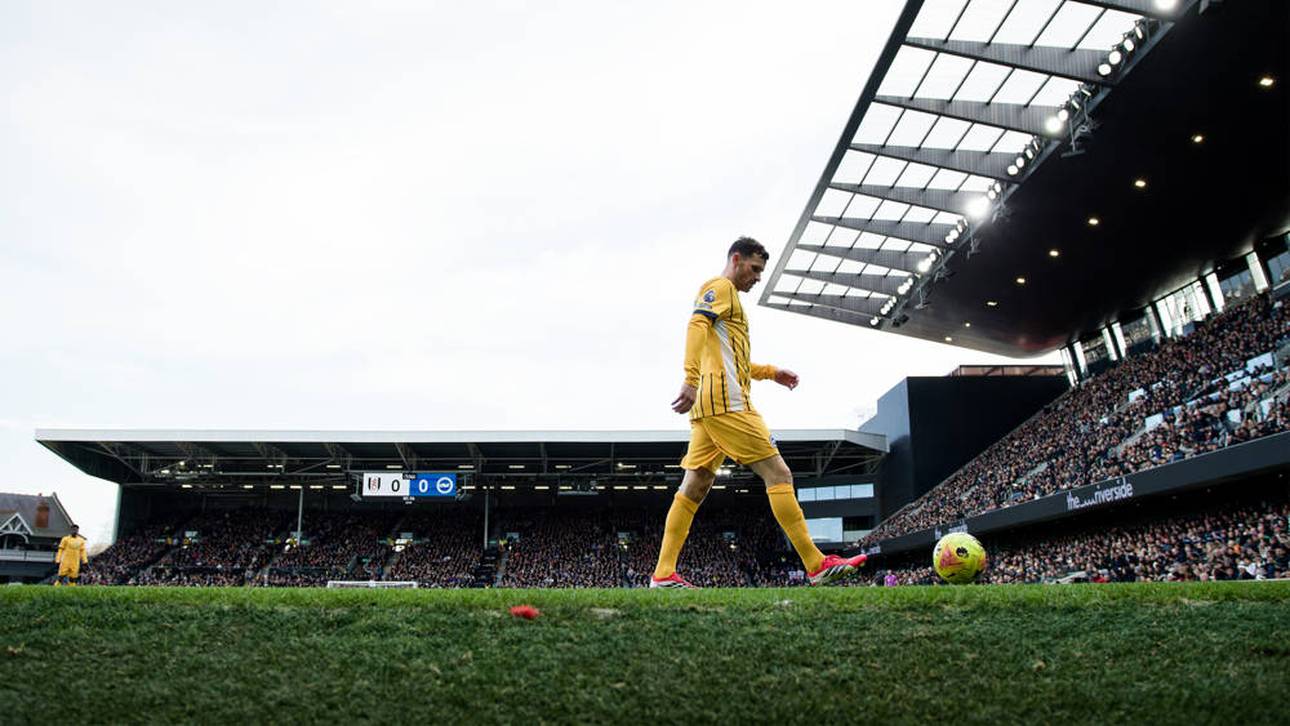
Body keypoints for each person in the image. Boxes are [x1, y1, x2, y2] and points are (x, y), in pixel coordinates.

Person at [650, 237, 867, 588]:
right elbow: (695, 326)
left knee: (695, 485)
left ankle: (663, 574)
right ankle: (816, 564)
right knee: (778, 475)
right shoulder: (718, 287)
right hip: (727, 405)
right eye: (753, 269)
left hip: (711, 407)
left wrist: (771, 372)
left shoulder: (731, 301)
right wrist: (689, 379)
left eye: (761, 272)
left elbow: (735, 361)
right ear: (736, 259)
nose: (757, 277)